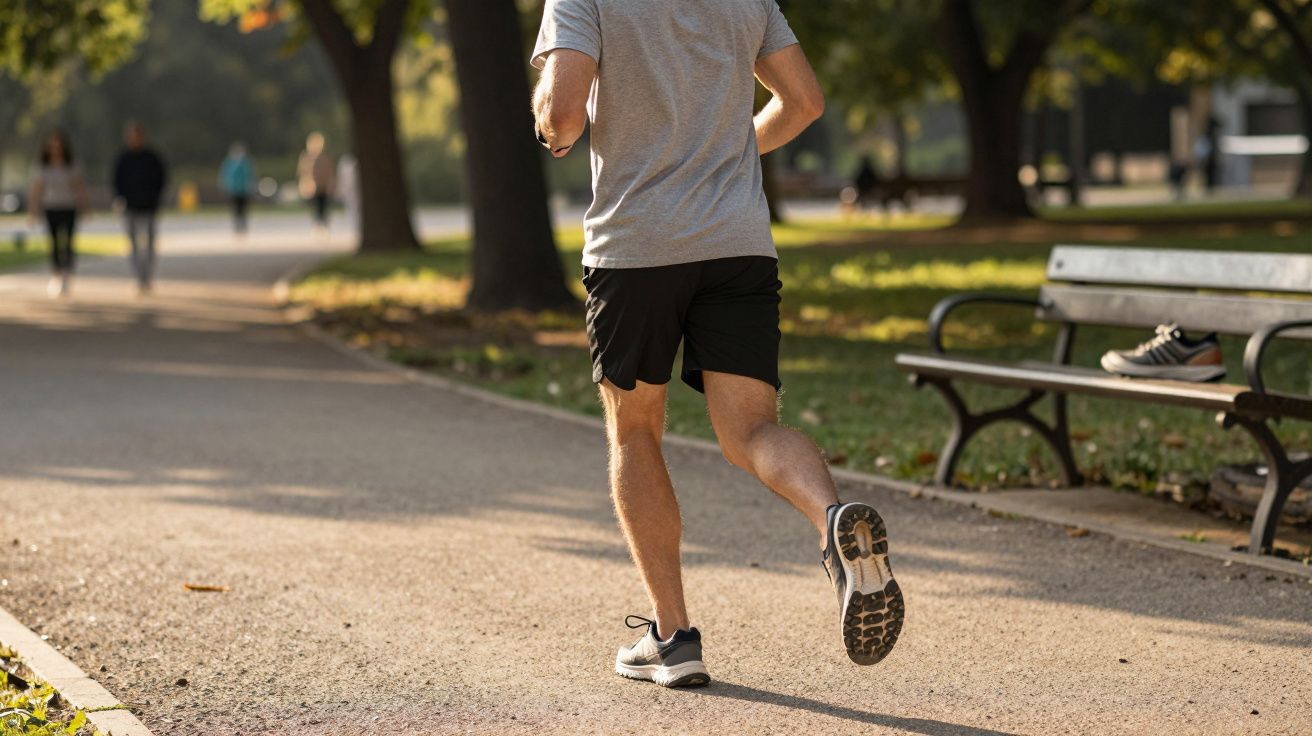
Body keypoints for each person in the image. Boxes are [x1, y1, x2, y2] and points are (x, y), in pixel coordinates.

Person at [531, 0, 903, 688]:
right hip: (737, 243)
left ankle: (672, 637)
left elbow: (562, 115)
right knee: (754, 430)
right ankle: (832, 521)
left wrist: (549, 128)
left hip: (636, 247)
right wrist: (722, 154)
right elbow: (806, 103)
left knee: (635, 432)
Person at [27, 130, 89, 298]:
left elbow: (79, 187)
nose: (55, 147)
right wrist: (33, 210)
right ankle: (56, 275)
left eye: (58, 143)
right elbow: (37, 189)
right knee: (54, 242)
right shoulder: (42, 165)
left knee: (68, 242)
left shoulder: (71, 164)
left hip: (68, 207)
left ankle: (67, 275)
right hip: (51, 207)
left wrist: (84, 206)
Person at [112, 122, 168, 295]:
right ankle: (139, 277)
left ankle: (147, 276)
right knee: (133, 244)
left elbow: (161, 179)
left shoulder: (152, 157)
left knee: (150, 244)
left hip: (149, 206)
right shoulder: (123, 158)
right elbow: (117, 181)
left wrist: (156, 198)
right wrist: (120, 199)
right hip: (130, 207)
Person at [297, 132, 335, 231]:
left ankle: (323, 225)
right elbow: (302, 172)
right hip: (312, 188)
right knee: (315, 208)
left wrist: (331, 184)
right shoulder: (306, 157)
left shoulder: (325, 157)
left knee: (324, 207)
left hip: (324, 187)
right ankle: (318, 225)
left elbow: (330, 172)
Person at [218, 143, 254, 236]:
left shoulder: (245, 163)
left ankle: (243, 225)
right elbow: (225, 176)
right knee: (235, 208)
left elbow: (249, 176)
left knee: (243, 208)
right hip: (234, 190)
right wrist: (225, 186)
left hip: (243, 190)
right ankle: (237, 225)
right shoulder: (230, 163)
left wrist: (250, 186)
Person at [336, 152, 359, 229]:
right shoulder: (345, 163)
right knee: (352, 209)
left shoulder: (350, 163)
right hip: (349, 191)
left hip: (353, 190)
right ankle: (356, 226)